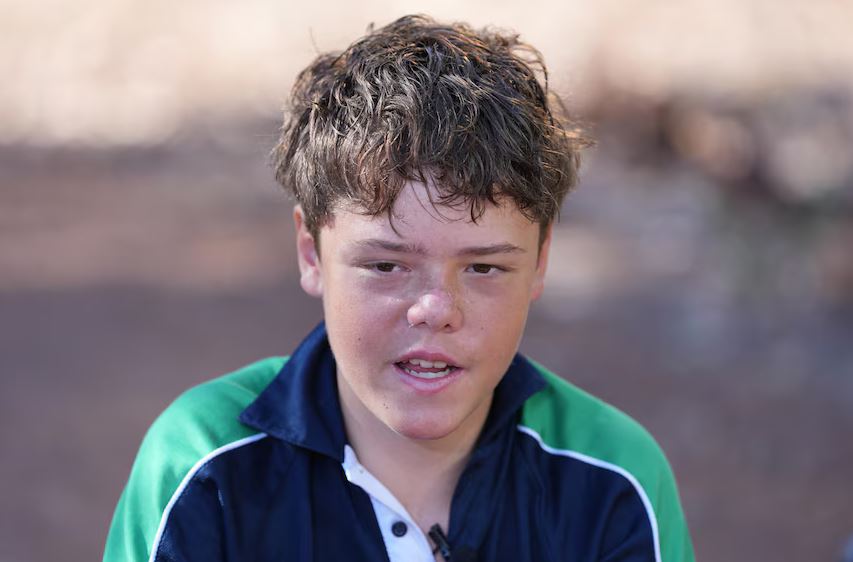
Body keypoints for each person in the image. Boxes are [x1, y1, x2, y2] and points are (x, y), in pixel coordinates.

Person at [103, 14, 694, 562]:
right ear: (311, 251)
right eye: (387, 266)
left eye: (484, 268)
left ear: (540, 262)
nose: (436, 310)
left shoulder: (613, 479)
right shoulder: (204, 468)